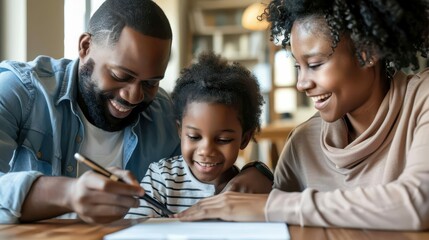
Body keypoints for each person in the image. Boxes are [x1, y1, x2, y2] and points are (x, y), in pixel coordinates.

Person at [0, 0, 272, 224]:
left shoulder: (167, 113)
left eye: (151, 82)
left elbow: (205, 166)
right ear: (85, 47)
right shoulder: (21, 91)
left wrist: (256, 172)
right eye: (121, 75)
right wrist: (67, 194)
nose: (134, 96)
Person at [176, 0, 429, 230]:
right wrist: (259, 180)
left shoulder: (422, 100)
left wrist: (268, 206)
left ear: (368, 52)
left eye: (315, 64)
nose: (301, 83)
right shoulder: (303, 142)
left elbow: (419, 204)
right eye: (298, 66)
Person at [127, 52, 268, 217]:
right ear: (180, 131)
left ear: (244, 138)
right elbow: (136, 227)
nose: (206, 150)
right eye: (194, 137)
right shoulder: (161, 178)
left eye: (223, 140)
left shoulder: (247, 188)